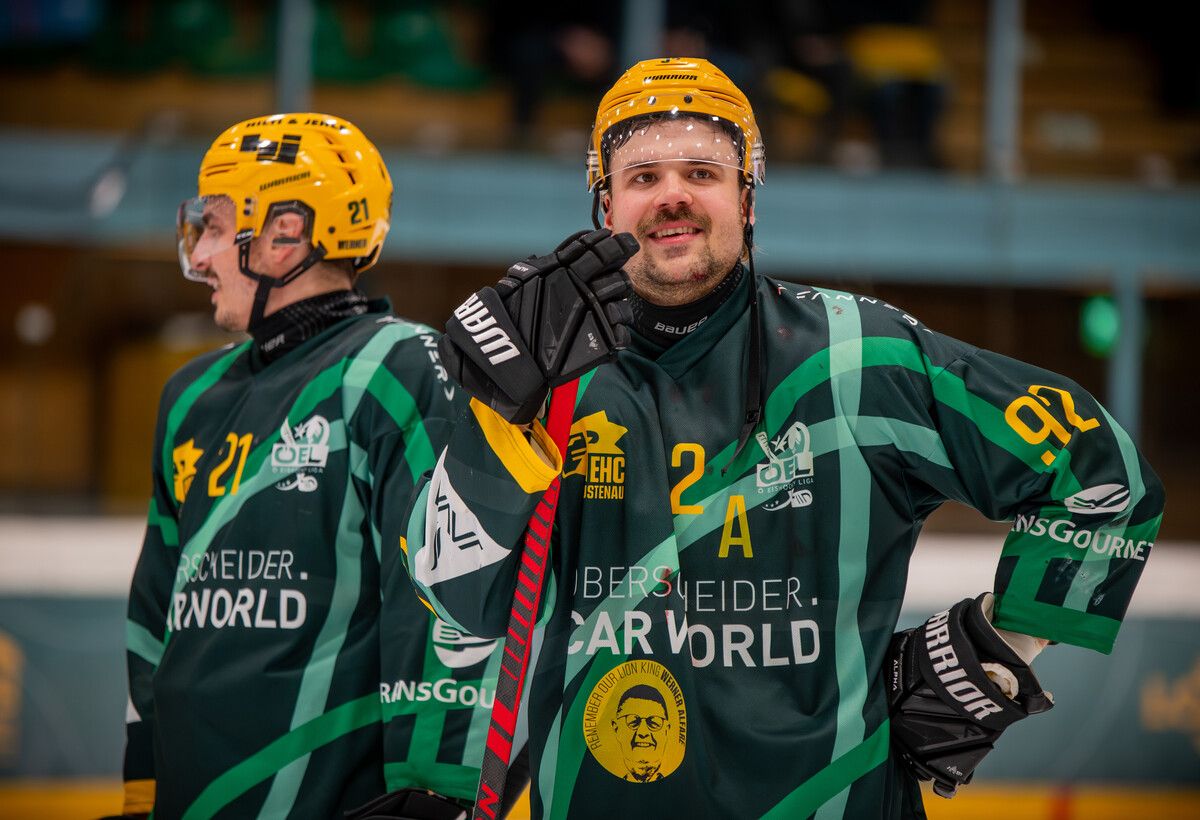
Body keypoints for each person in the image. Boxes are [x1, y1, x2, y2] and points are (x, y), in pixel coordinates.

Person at [413, 58, 1165, 819]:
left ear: (745, 195)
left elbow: (1104, 475)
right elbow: (453, 612)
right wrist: (495, 423)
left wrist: (1006, 655)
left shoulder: (861, 357)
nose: (672, 193)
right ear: (605, 207)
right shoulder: (545, 388)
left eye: (702, 171)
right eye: (642, 177)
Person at [118, 113, 508, 819]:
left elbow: (446, 592)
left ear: (285, 233)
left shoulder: (398, 366)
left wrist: (434, 791)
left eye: (212, 225)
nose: (200, 255)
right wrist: (143, 787)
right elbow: (154, 617)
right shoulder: (190, 397)